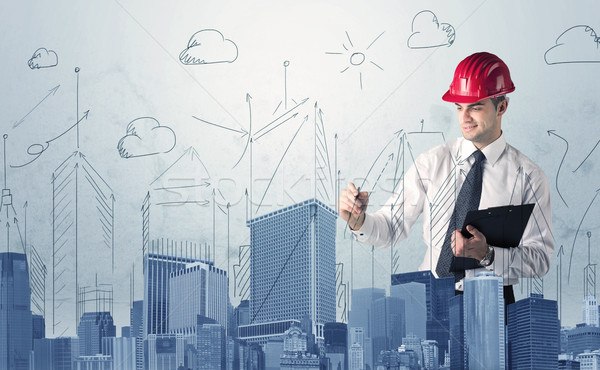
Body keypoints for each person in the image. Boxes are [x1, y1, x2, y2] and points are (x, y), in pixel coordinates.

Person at [338, 52, 553, 305]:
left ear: (502, 107)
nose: (465, 117)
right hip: (428, 298)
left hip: (493, 301)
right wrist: (359, 222)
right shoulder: (432, 162)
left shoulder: (528, 177)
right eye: (459, 107)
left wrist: (489, 256)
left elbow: (540, 259)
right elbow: (391, 227)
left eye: (476, 106)